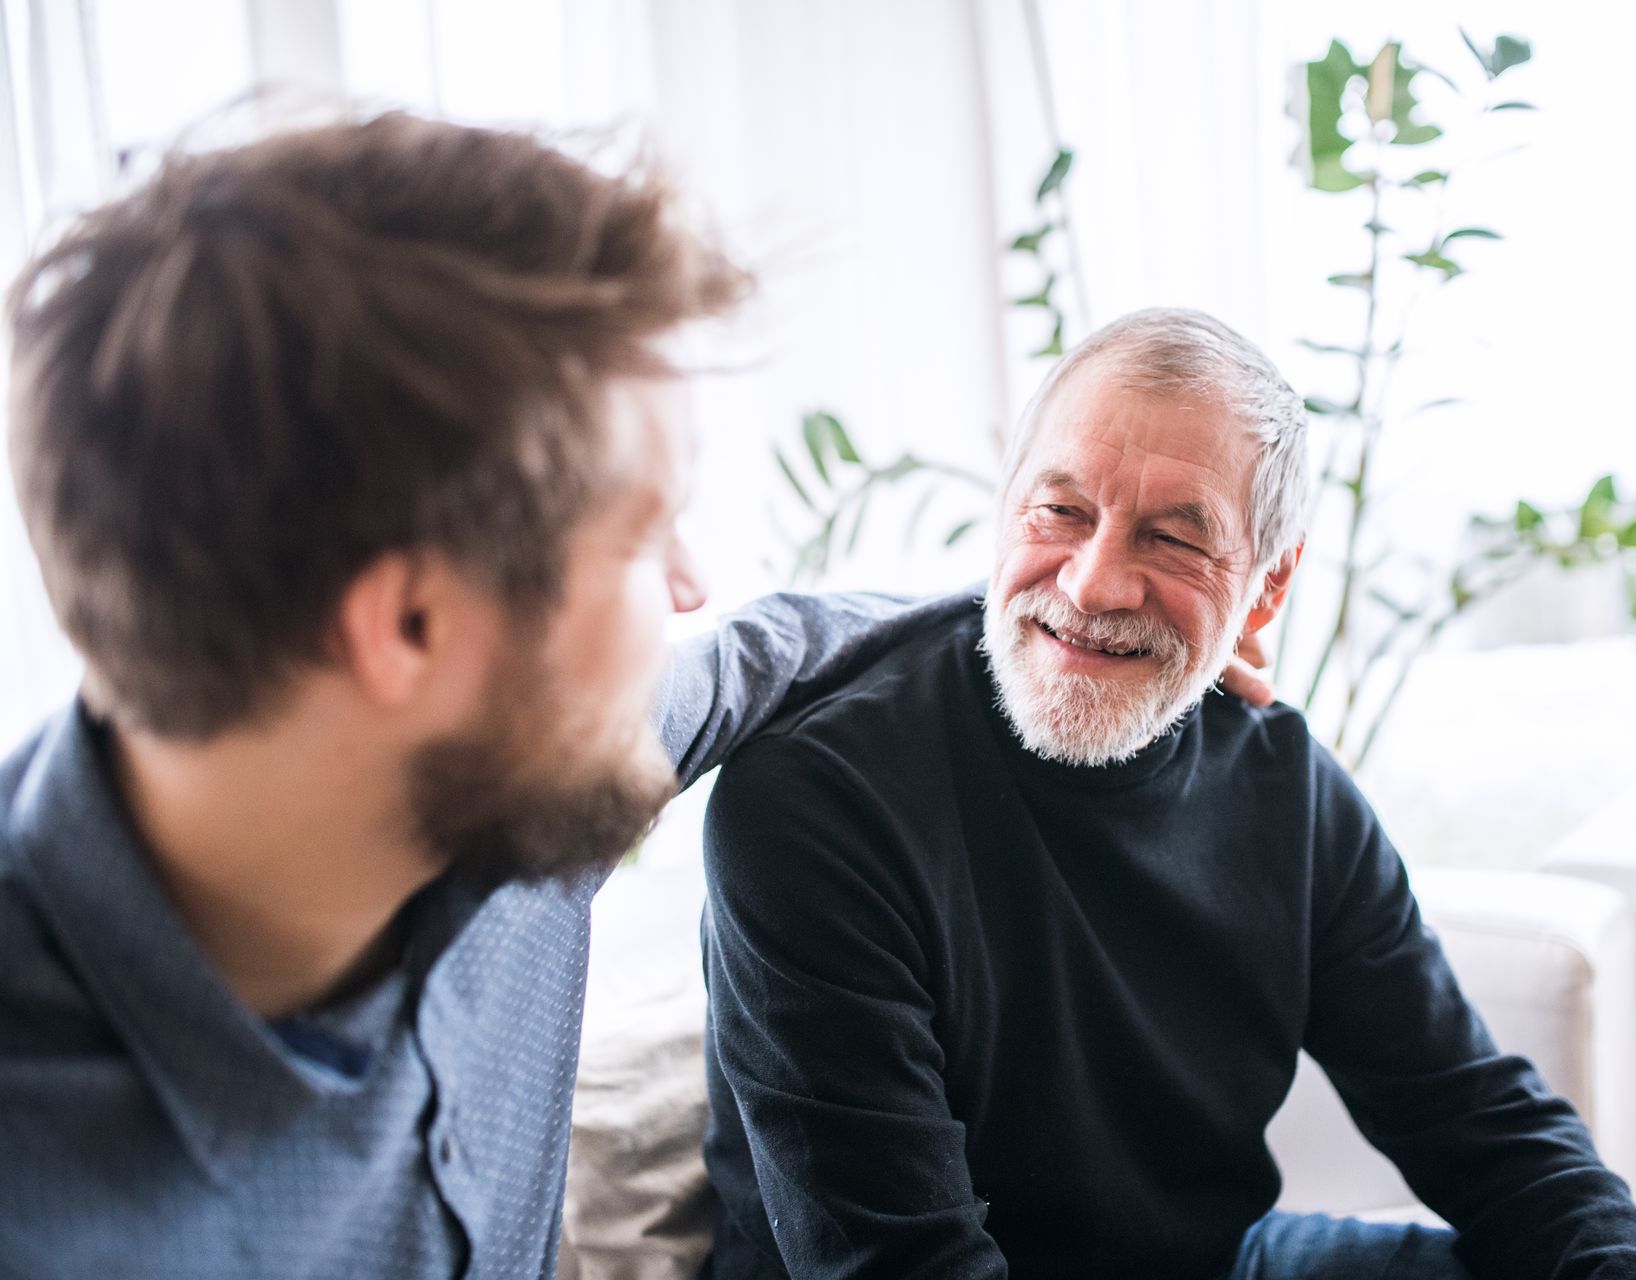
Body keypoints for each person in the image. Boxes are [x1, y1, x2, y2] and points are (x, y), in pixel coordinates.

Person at [0, 112, 1137, 1277]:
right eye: (646, 535)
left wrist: (1094, 631)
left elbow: (768, 646)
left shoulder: (487, 748)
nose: (689, 583)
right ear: (409, 626)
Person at [700, 308, 1636, 1279]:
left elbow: (1478, 1120)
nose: (1095, 582)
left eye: (1174, 536)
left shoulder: (1288, 792)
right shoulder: (814, 800)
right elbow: (903, 1264)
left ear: (1266, 586)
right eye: (1061, 509)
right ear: (1006, 507)